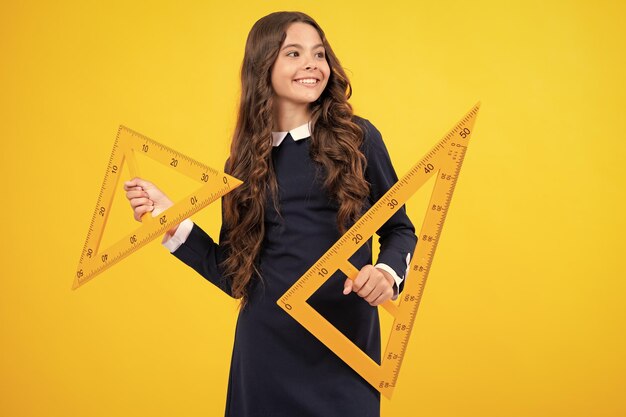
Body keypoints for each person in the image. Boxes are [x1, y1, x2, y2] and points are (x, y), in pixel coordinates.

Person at [124, 11, 417, 417]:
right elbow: (232, 273)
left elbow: (400, 229)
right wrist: (169, 218)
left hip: (345, 346)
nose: (312, 64)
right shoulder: (241, 163)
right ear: (264, 67)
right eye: (294, 53)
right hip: (266, 354)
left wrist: (386, 274)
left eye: (319, 53)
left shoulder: (358, 139)